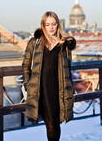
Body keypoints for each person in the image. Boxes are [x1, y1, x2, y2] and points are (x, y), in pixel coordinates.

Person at [22, 11, 76, 141]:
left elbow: (68, 68)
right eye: (47, 24)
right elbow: (26, 64)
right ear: (43, 26)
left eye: (53, 24)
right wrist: (28, 84)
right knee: (50, 123)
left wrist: (70, 88)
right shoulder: (35, 43)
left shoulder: (65, 45)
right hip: (42, 89)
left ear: (58, 25)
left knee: (55, 122)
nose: (51, 27)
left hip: (59, 89)